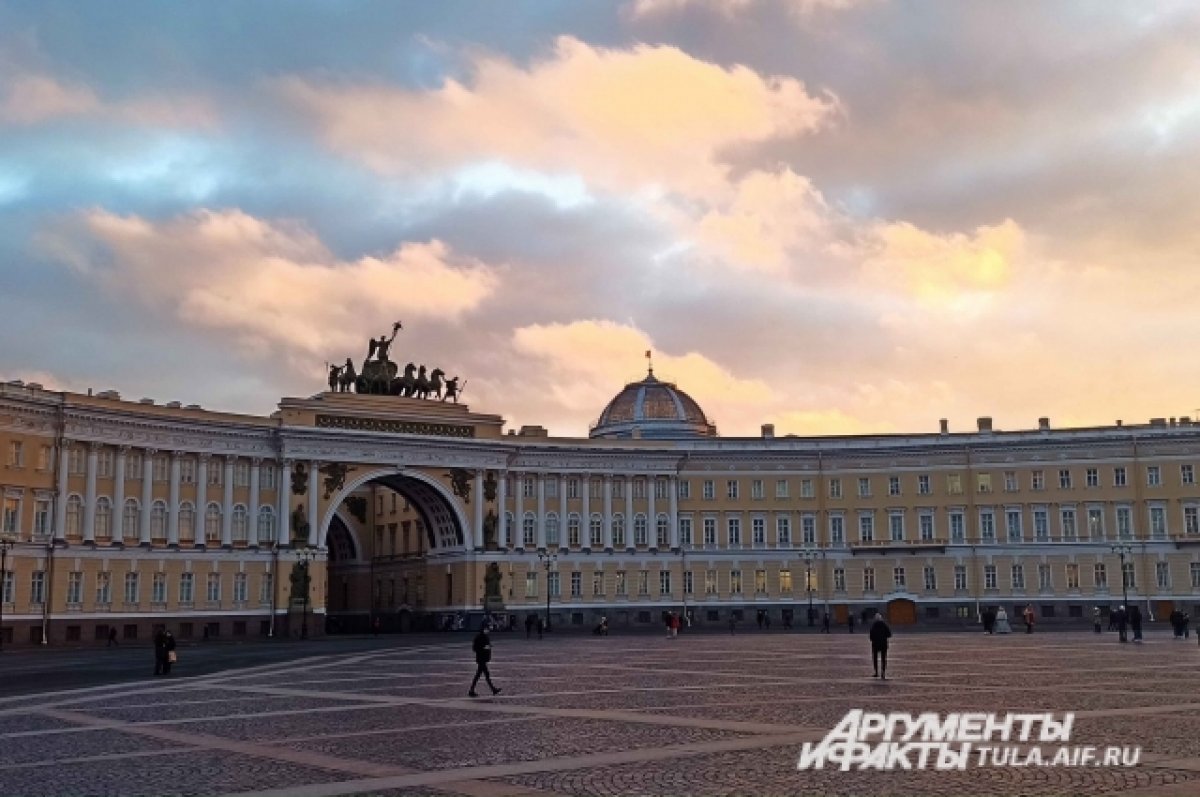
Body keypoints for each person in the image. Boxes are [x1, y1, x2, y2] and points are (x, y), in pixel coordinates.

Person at [468, 625, 501, 697]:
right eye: (486, 629)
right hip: (481, 659)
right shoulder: (479, 637)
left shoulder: (485, 637)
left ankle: (472, 690)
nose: (488, 630)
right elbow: (475, 648)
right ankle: (493, 689)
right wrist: (484, 648)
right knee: (485, 675)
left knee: (479, 675)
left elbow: (486, 646)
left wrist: (488, 647)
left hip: (483, 659)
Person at [869, 613, 892, 680]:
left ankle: (876, 672)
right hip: (883, 644)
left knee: (875, 658)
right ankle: (883, 672)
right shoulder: (884, 625)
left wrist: (874, 639)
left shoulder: (874, 626)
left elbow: (871, 636)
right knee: (883, 659)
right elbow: (889, 634)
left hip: (875, 644)